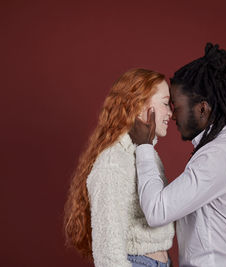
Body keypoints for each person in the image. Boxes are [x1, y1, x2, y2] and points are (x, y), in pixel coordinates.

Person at [130, 43, 226, 266]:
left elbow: (156, 211)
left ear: (202, 108)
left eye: (176, 106)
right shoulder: (224, 147)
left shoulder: (220, 154)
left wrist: (144, 146)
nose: (172, 115)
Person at [64, 69, 175, 267]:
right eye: (165, 103)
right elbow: (108, 252)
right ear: (139, 105)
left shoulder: (147, 154)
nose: (170, 113)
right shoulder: (112, 161)